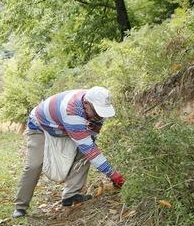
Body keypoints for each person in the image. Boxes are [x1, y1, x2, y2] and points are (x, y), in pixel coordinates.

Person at [12, 86, 125, 218]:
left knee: (84, 153)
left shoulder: (97, 110)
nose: (99, 116)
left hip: (62, 129)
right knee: (34, 165)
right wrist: (113, 175)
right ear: (86, 104)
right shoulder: (72, 111)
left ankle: (71, 196)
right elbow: (90, 150)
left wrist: (107, 169)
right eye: (96, 112)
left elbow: (90, 142)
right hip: (40, 127)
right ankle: (20, 206)